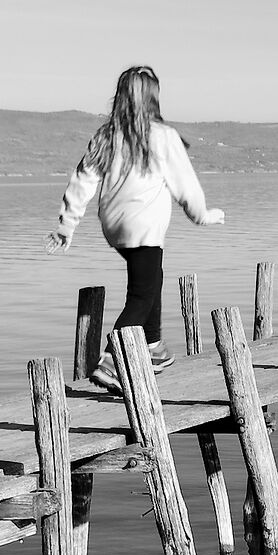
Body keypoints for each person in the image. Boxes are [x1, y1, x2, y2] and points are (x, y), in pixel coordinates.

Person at [50, 65, 224, 388]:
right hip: (143, 226)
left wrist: (67, 225)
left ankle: (153, 343)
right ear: (153, 98)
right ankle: (111, 360)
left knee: (152, 276)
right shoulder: (163, 137)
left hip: (115, 227)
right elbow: (186, 185)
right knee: (141, 294)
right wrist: (202, 215)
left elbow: (83, 180)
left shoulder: (106, 136)